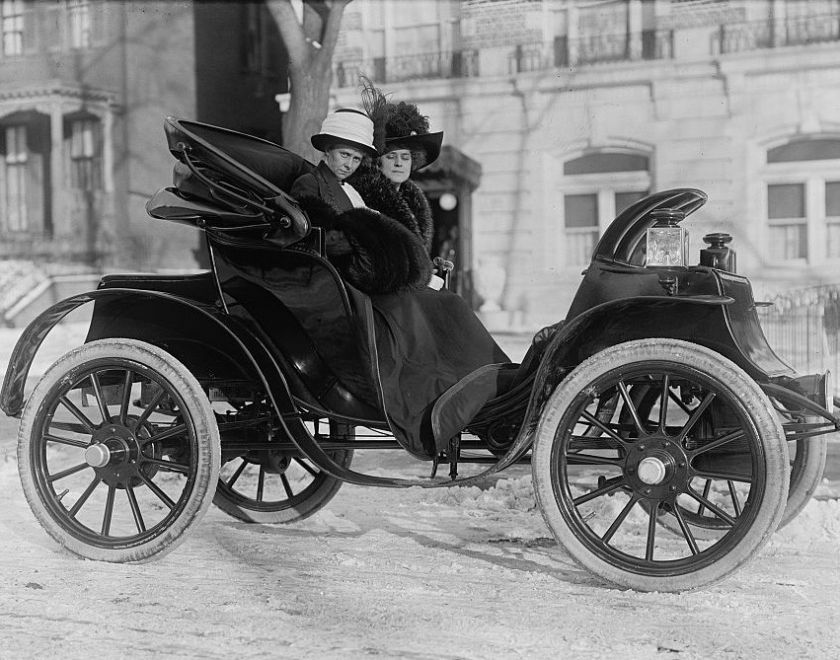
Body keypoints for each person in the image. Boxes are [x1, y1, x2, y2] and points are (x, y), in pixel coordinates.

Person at [290, 108, 432, 295]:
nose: (349, 164)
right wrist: (370, 248)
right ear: (328, 150)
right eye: (344, 155)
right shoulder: (309, 183)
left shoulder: (351, 191)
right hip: (335, 280)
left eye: (356, 158)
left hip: (364, 276)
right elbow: (319, 238)